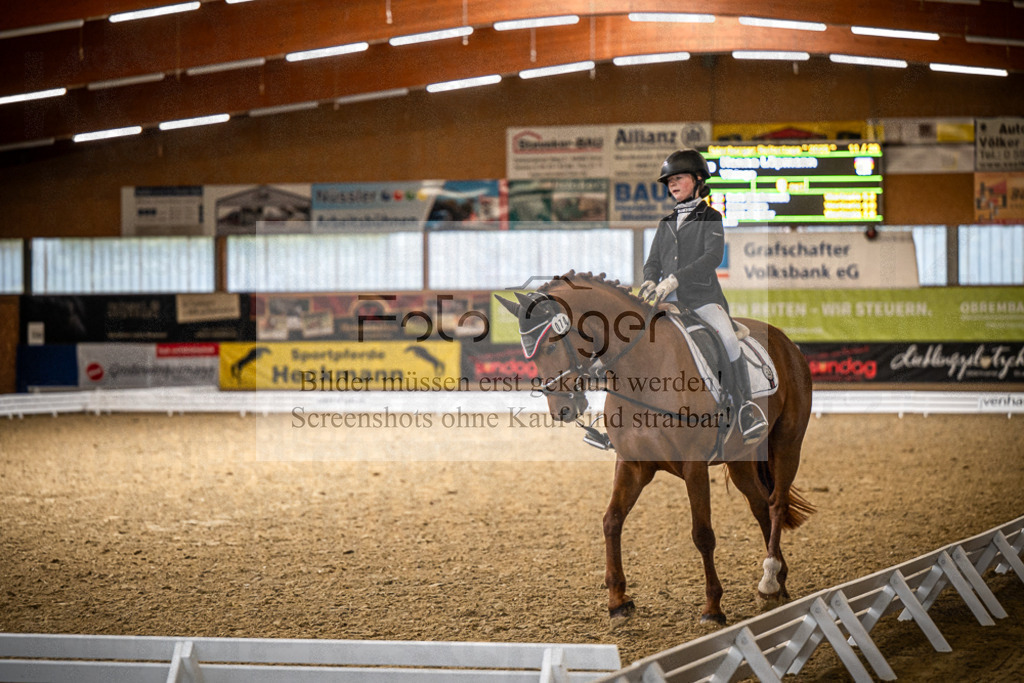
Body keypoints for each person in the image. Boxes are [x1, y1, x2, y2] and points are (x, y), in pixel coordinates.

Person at [638, 149, 768, 444]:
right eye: (669, 180)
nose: (672, 184)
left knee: (727, 338)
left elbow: (712, 257)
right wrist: (649, 280)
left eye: (678, 178)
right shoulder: (666, 222)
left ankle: (745, 407)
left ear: (698, 180)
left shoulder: (711, 217)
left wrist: (675, 279)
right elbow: (653, 261)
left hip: (703, 300)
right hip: (668, 303)